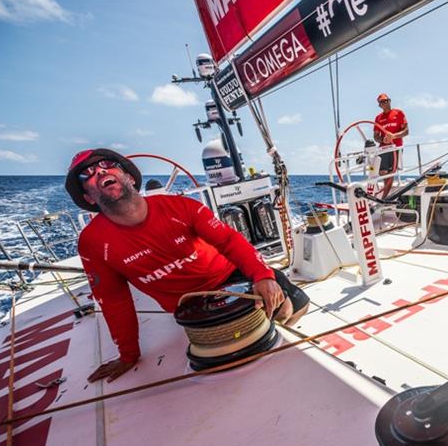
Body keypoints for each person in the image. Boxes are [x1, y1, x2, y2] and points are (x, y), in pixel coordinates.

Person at [64, 148, 309, 383]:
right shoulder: (93, 243)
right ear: (88, 197)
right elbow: (114, 299)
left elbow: (228, 240)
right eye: (87, 174)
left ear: (128, 177)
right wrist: (128, 355)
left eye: (107, 165)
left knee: (292, 306)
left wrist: (262, 276)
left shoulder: (180, 207)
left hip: (231, 275)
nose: (99, 172)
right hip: (190, 303)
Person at [373, 93, 409, 198]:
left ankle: (384, 197)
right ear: (379, 105)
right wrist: (382, 139)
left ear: (390, 101)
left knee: (391, 171)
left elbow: (406, 131)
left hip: (395, 147)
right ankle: (383, 194)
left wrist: (393, 136)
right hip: (383, 148)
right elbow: (376, 136)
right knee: (382, 171)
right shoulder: (378, 118)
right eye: (382, 102)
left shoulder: (399, 113)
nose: (385, 103)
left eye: (386, 100)